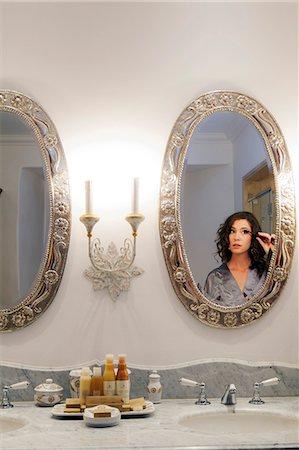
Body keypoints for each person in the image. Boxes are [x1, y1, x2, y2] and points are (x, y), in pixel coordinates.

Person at [204, 211, 275, 307]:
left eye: (244, 232)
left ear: (253, 237)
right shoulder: (215, 277)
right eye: (232, 231)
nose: (236, 237)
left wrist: (273, 254)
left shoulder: (265, 272)